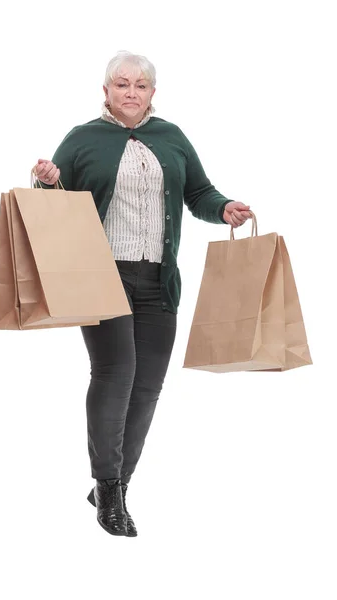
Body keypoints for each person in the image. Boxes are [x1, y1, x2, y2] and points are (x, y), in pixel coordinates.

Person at [32, 50, 251, 537]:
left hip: (158, 280)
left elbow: (199, 192)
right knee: (116, 374)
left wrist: (225, 208)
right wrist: (46, 181)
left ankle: (117, 483)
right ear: (105, 91)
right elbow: (55, 199)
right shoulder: (84, 137)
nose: (131, 92)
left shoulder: (170, 137)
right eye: (121, 84)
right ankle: (107, 488)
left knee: (147, 387)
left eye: (140, 85)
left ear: (153, 92)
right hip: (101, 275)